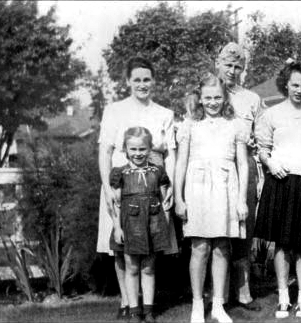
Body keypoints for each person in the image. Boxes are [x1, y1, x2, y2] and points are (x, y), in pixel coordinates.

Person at [97, 57, 177, 320]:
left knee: (150, 246)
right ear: (128, 81)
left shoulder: (164, 113)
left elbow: (171, 155)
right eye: (137, 79)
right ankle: (126, 301)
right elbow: (105, 151)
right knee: (120, 246)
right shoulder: (114, 110)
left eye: (147, 79)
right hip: (120, 185)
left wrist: (172, 188)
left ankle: (146, 304)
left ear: (153, 80)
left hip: (153, 187)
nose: (142, 84)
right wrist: (106, 186)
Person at [254, 61, 301, 319]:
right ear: (286, 84)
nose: (299, 90)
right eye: (295, 85)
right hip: (281, 181)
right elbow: (262, 149)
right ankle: (284, 298)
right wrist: (271, 163)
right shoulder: (271, 114)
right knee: (282, 244)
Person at [174, 73, 249, 323]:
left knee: (221, 247)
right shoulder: (190, 124)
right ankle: (197, 304)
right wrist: (179, 197)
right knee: (200, 247)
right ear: (200, 98)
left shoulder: (235, 124)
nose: (213, 102)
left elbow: (243, 163)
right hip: (197, 188)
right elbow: (181, 162)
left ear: (224, 97)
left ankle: (218, 304)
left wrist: (241, 200)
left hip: (227, 188)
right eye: (208, 98)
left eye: (217, 97)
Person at [214, 42, 265, 311]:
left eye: (238, 67)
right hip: (215, 169)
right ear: (217, 64)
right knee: (217, 230)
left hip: (244, 166)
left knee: (244, 230)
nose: (232, 71)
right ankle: (219, 296)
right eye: (228, 65)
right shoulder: (208, 93)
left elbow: (264, 133)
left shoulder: (252, 99)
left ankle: (244, 293)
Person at [109, 127, 171, 323]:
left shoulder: (158, 172)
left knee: (148, 268)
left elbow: (165, 201)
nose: (138, 154)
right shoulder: (120, 173)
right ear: (125, 150)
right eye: (133, 149)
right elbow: (115, 205)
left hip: (152, 224)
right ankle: (135, 310)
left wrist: (164, 225)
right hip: (129, 226)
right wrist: (117, 228)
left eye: (142, 149)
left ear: (150, 148)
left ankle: (149, 310)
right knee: (132, 267)